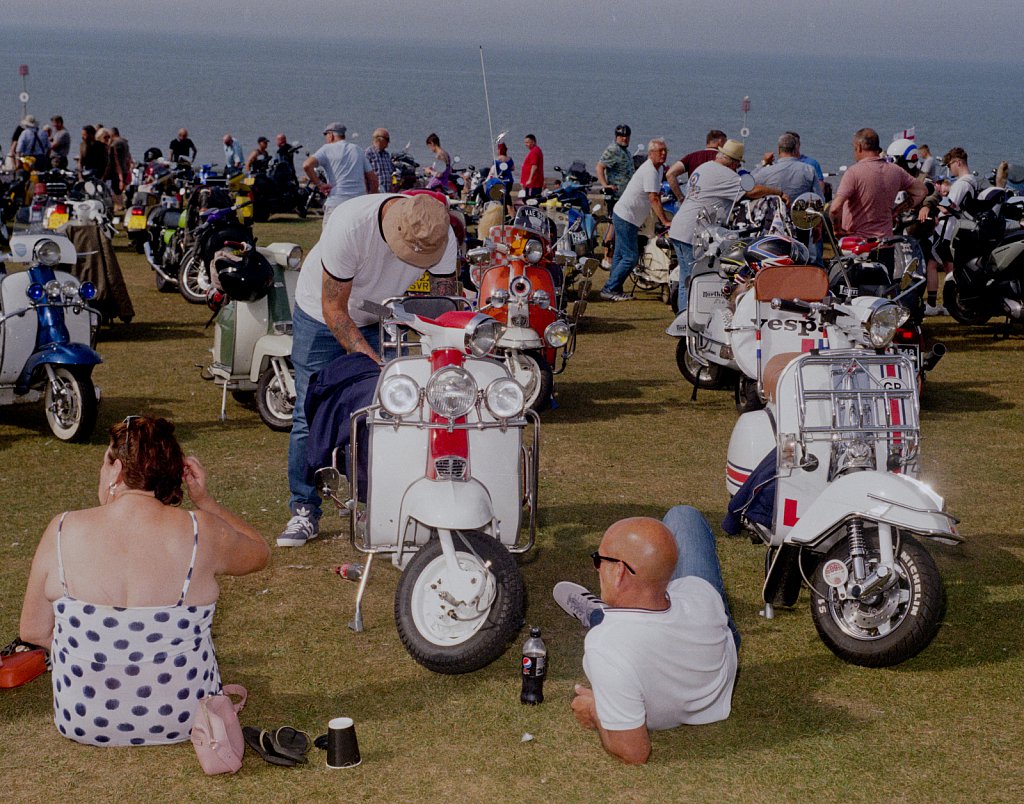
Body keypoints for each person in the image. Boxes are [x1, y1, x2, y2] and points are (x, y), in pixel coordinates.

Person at [19, 415, 269, 746]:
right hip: (188, 719)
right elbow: (260, 552)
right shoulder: (201, 531)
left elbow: (33, 630)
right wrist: (207, 502)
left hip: (82, 719)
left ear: (118, 469)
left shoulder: (63, 529)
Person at [278, 193, 459, 547]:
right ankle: (304, 509)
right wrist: (372, 362)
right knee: (308, 412)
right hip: (320, 315)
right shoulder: (351, 225)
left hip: (380, 315)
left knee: (382, 415)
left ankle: (372, 505)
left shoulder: (440, 233)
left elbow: (443, 304)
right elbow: (334, 309)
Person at [554, 506, 739, 764]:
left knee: (611, 628)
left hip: (641, 680)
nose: (597, 569)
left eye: (599, 560)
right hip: (714, 665)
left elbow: (635, 752)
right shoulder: (700, 593)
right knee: (683, 516)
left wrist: (595, 711)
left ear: (618, 572)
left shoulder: (604, 647)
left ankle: (602, 615)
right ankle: (607, 612)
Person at [669, 139, 788, 312]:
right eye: (738, 164)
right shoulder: (724, 174)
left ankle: (683, 317)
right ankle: (689, 321)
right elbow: (752, 191)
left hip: (680, 226)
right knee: (694, 280)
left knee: (685, 278)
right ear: (733, 162)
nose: (737, 168)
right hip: (693, 232)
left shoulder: (704, 167)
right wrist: (778, 192)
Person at [600, 138, 672, 302]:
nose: (663, 154)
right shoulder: (650, 170)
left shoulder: (659, 169)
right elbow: (653, 198)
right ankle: (609, 288)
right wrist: (665, 220)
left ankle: (614, 289)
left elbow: (657, 194)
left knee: (619, 255)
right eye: (659, 151)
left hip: (628, 216)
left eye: (665, 151)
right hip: (626, 217)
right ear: (650, 154)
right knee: (630, 257)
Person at [829, 127, 926, 239]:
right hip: (885, 242)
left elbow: (835, 208)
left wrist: (836, 228)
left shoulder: (853, 172)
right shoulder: (896, 171)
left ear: (859, 147)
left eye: (854, 148)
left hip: (858, 244)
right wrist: (897, 211)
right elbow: (921, 191)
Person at [922, 147, 978, 316]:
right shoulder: (972, 181)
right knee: (949, 268)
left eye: (950, 165)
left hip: (947, 230)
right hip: (956, 229)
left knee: (932, 265)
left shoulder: (962, 183)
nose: (949, 169)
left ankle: (932, 303)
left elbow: (949, 207)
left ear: (958, 162)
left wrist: (934, 203)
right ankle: (950, 303)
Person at [753, 133, 822, 263]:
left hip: (772, 224)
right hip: (800, 224)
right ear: (796, 149)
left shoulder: (767, 171)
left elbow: (748, 185)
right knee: (800, 261)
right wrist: (818, 226)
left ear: (779, 150)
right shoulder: (808, 170)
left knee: (773, 260)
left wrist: (763, 163)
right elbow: (817, 200)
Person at [302, 122, 376, 224]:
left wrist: (320, 185)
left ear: (331, 135)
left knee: (329, 239)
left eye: (326, 135)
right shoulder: (357, 149)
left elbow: (306, 165)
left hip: (337, 202)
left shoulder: (326, 149)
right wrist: (370, 199)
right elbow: (373, 179)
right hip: (359, 203)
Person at [665, 129, 727, 201]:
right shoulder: (724, 160)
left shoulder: (691, 157)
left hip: (693, 201)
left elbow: (670, 174)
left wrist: (681, 198)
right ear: (720, 142)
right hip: (715, 203)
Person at [595, 124, 635, 200]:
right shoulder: (613, 149)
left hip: (626, 196)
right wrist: (605, 186)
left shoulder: (625, 151)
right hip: (615, 197)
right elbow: (599, 167)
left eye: (627, 136)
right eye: (621, 136)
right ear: (616, 137)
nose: (624, 138)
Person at [107, 127, 133, 211]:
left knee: (116, 192)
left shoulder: (116, 143)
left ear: (112, 134)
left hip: (118, 171)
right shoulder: (124, 142)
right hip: (125, 169)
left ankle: (118, 208)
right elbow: (128, 156)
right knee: (119, 191)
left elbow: (114, 158)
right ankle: (120, 207)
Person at [365, 128, 394, 193]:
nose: (388, 143)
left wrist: (391, 190)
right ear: (379, 139)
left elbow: (390, 175)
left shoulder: (386, 155)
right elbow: (364, 175)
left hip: (386, 192)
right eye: (387, 139)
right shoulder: (368, 153)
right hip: (374, 193)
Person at [520, 134, 544, 199]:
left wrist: (529, 179)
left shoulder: (534, 151)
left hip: (533, 183)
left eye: (527, 142)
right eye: (525, 142)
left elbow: (534, 166)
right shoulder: (535, 150)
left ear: (533, 142)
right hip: (533, 183)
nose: (526, 144)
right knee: (532, 200)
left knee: (531, 201)